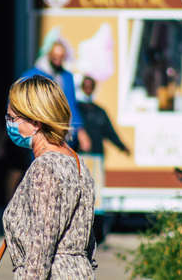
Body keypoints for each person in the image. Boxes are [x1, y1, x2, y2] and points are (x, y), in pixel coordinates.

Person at [3, 75, 97, 279]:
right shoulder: (77, 163)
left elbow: (40, 251)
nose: (8, 124)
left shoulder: (44, 168)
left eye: (12, 118)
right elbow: (89, 242)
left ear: (36, 122)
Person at [77, 76, 130, 244]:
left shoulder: (99, 111)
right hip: (80, 157)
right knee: (79, 195)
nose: (87, 89)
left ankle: (96, 233)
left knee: (95, 197)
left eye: (90, 86)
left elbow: (110, 132)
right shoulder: (76, 110)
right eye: (85, 86)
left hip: (97, 158)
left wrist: (122, 146)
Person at [21, 41, 91, 152]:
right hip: (42, 131)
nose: (58, 61)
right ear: (49, 55)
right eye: (55, 57)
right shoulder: (33, 75)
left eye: (61, 57)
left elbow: (71, 105)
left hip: (65, 134)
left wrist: (80, 130)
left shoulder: (67, 77)